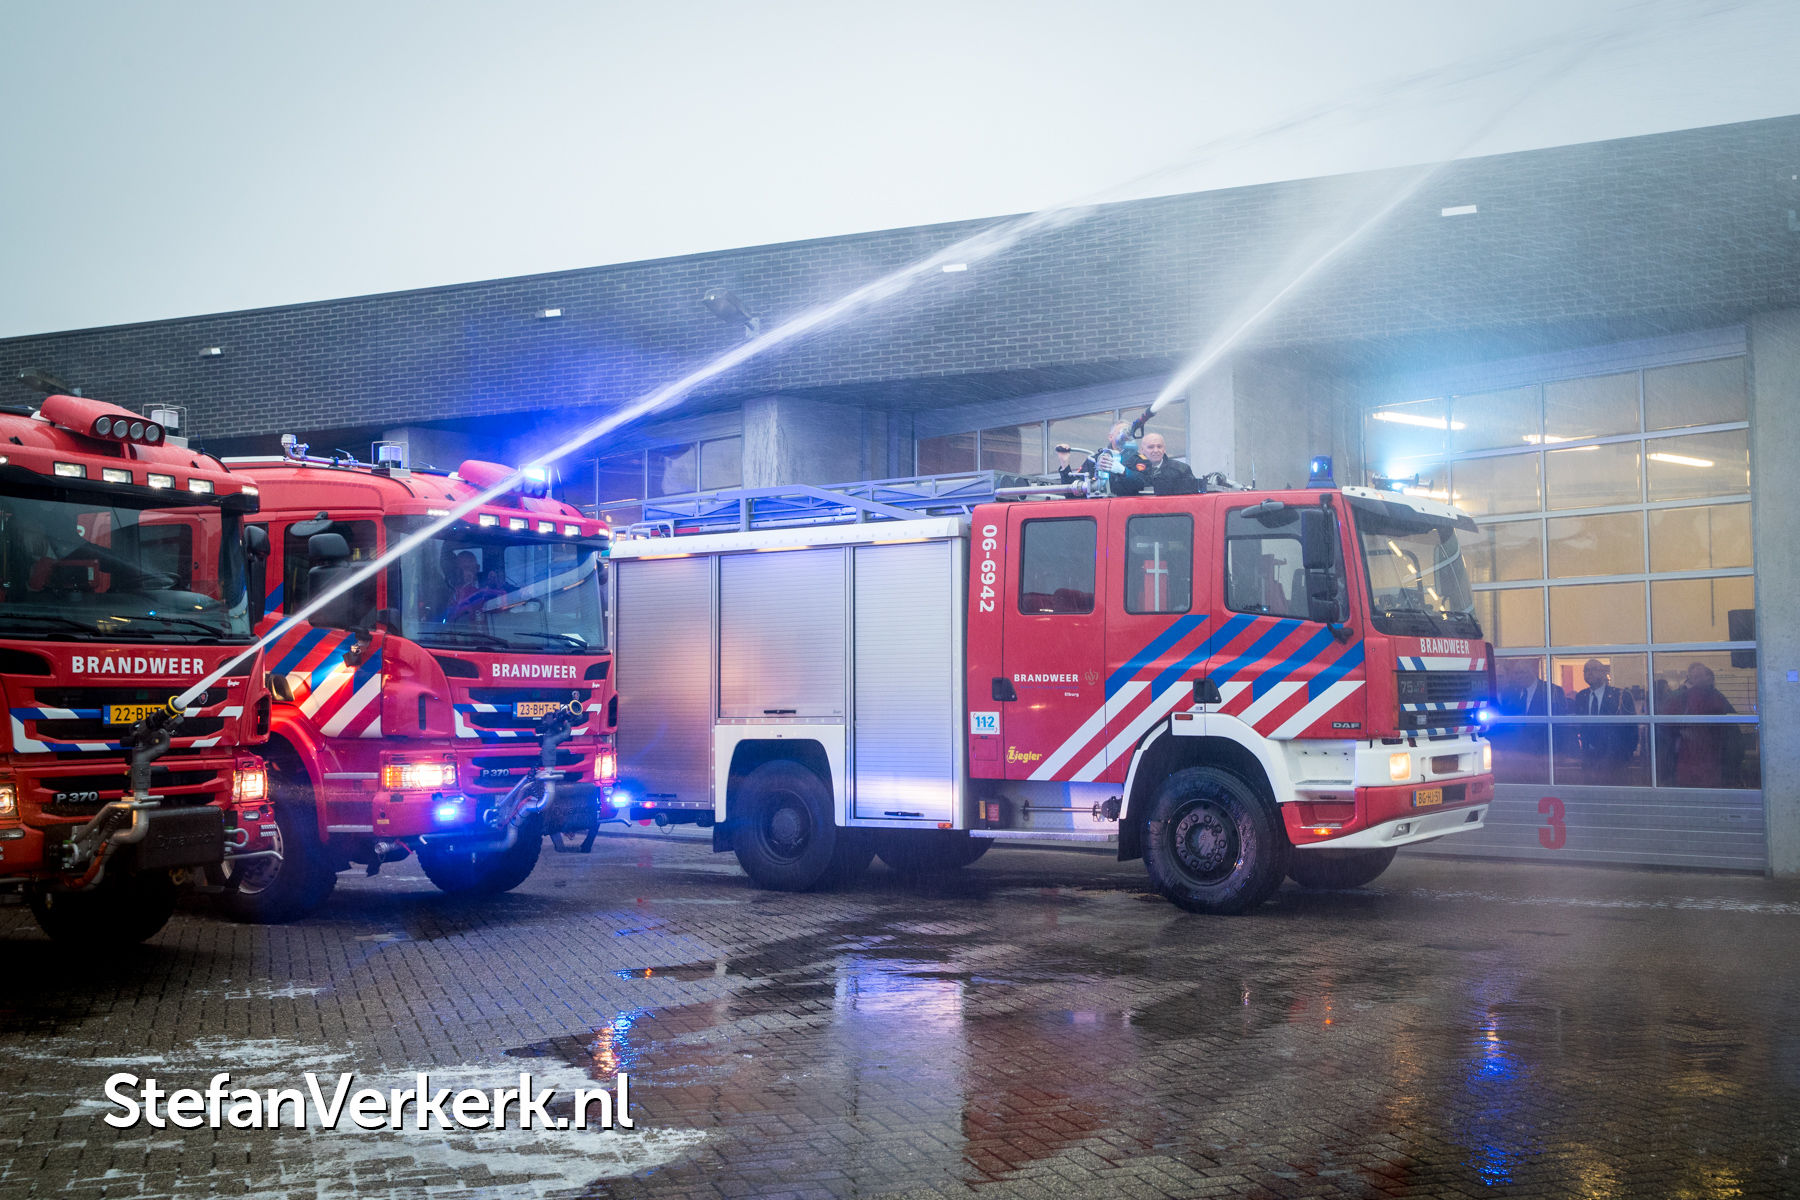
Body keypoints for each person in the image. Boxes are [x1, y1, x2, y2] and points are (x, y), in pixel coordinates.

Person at [1668, 661, 1737, 788]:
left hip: (1710, 753)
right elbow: (1669, 722)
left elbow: (1730, 725)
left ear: (1708, 677)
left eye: (1701, 675)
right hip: (1689, 753)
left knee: (1708, 788)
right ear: (1690, 679)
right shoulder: (1683, 697)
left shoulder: (1716, 697)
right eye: (1696, 676)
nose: (1699, 679)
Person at [1573, 657, 1638, 781]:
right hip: (1589, 758)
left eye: (1594, 669)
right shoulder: (1581, 696)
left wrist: (1627, 754)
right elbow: (1579, 725)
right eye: (1586, 670)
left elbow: (1632, 728)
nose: (1589, 673)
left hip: (1615, 758)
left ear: (1603, 673)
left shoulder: (1620, 695)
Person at [1111, 433, 1198, 496]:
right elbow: (1119, 492)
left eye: (1159, 447)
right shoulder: (1130, 469)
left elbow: (1189, 499)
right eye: (1151, 447)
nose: (1156, 450)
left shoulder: (1181, 469)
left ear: (1164, 449)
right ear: (1142, 450)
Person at [1499, 657, 1568, 715]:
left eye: (1522, 672)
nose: (1519, 676)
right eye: (1516, 673)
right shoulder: (1510, 691)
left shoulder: (1552, 690)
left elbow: (1559, 717)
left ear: (1533, 672)